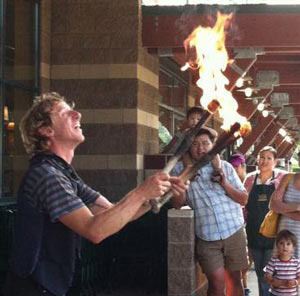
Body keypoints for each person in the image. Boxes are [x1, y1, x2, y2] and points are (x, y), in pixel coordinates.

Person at [3, 92, 187, 296]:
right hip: (32, 289)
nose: (77, 114)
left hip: (53, 287)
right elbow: (95, 230)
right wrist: (141, 193)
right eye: (65, 112)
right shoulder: (46, 176)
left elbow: (111, 214)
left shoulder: (64, 174)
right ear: (46, 130)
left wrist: (151, 196)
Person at [171, 127, 249, 296]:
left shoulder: (226, 167)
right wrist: (185, 179)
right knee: (216, 283)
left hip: (234, 230)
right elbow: (177, 204)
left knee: (235, 279)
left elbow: (244, 199)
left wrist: (224, 183)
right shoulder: (178, 170)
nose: (200, 148)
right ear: (188, 147)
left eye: (205, 143)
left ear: (213, 145)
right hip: (206, 236)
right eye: (195, 144)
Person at [244, 146, 286, 296]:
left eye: (269, 158)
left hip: (275, 234)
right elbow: (243, 205)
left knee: (269, 272)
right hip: (253, 231)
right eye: (262, 157)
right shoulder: (250, 179)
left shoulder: (282, 177)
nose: (265, 161)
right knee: (259, 271)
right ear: (257, 160)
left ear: (275, 162)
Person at [228, 153, 251, 296]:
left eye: (236, 167)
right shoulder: (229, 181)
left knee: (247, 260)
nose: (234, 170)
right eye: (232, 167)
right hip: (236, 225)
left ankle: (244, 285)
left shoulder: (249, 180)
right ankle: (245, 286)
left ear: (243, 167)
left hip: (251, 224)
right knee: (241, 262)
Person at [270, 173, 300, 258]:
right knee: (280, 268)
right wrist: (296, 207)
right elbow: (272, 205)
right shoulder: (288, 178)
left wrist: (282, 209)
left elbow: (277, 206)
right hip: (284, 238)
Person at [264, 229, 300, 296]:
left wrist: (295, 282)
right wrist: (273, 281)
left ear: (293, 247)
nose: (284, 246)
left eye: (288, 244)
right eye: (281, 243)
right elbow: (267, 275)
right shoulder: (273, 261)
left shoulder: (296, 263)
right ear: (277, 246)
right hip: (276, 294)